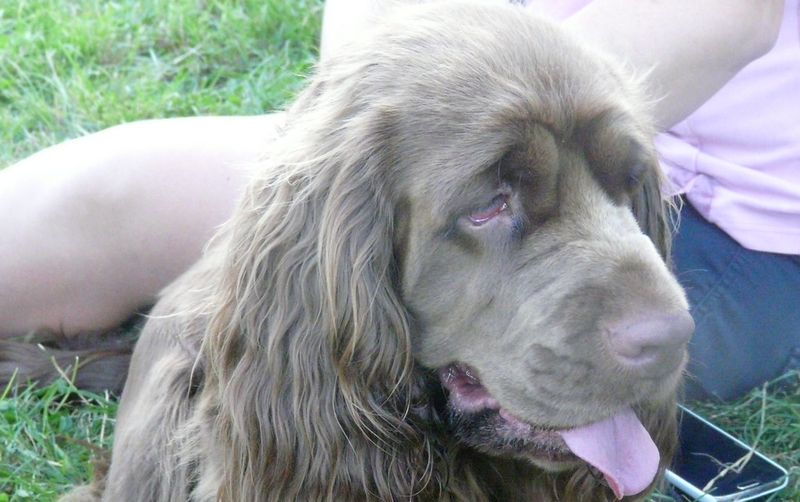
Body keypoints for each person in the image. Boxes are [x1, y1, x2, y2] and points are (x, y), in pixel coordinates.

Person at [0, 0, 795, 401]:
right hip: (474, 125)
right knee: (116, 198)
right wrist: (352, 159)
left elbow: (730, 17)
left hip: (726, 218)